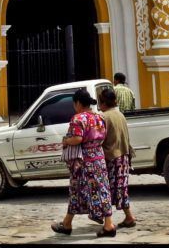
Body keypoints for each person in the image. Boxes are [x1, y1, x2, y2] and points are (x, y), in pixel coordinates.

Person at [51, 88, 115, 238]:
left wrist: (66, 140)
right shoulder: (99, 117)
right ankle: (108, 224)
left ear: (78, 103)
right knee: (102, 190)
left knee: (76, 190)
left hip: (84, 161)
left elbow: (77, 138)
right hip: (99, 158)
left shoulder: (78, 118)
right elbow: (103, 136)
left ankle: (67, 224)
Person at [97, 86, 136, 229]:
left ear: (103, 103)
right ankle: (128, 216)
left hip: (112, 157)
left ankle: (109, 221)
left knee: (107, 190)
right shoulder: (120, 115)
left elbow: (100, 138)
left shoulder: (104, 117)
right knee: (121, 188)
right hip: (124, 155)